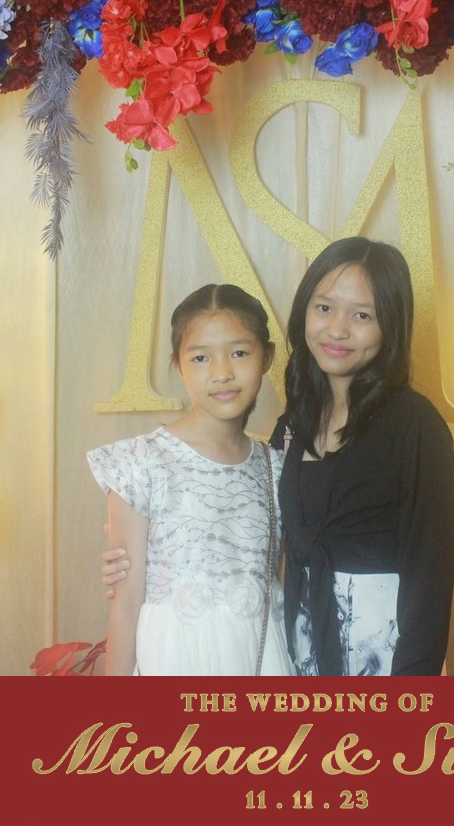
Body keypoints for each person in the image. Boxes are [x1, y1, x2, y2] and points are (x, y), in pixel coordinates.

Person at [103, 237, 454, 676]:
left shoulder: (415, 426)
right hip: (299, 650)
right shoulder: (293, 428)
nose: (338, 329)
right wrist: (138, 549)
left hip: (383, 654)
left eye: (362, 315)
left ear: (391, 325)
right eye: (324, 308)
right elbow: (252, 532)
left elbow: (432, 576)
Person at [88, 284, 292, 676]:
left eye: (239, 353)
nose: (222, 373)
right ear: (178, 366)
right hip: (173, 660)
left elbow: (282, 581)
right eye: (200, 358)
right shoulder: (142, 463)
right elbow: (126, 604)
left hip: (260, 660)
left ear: (266, 357)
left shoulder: (276, 469)